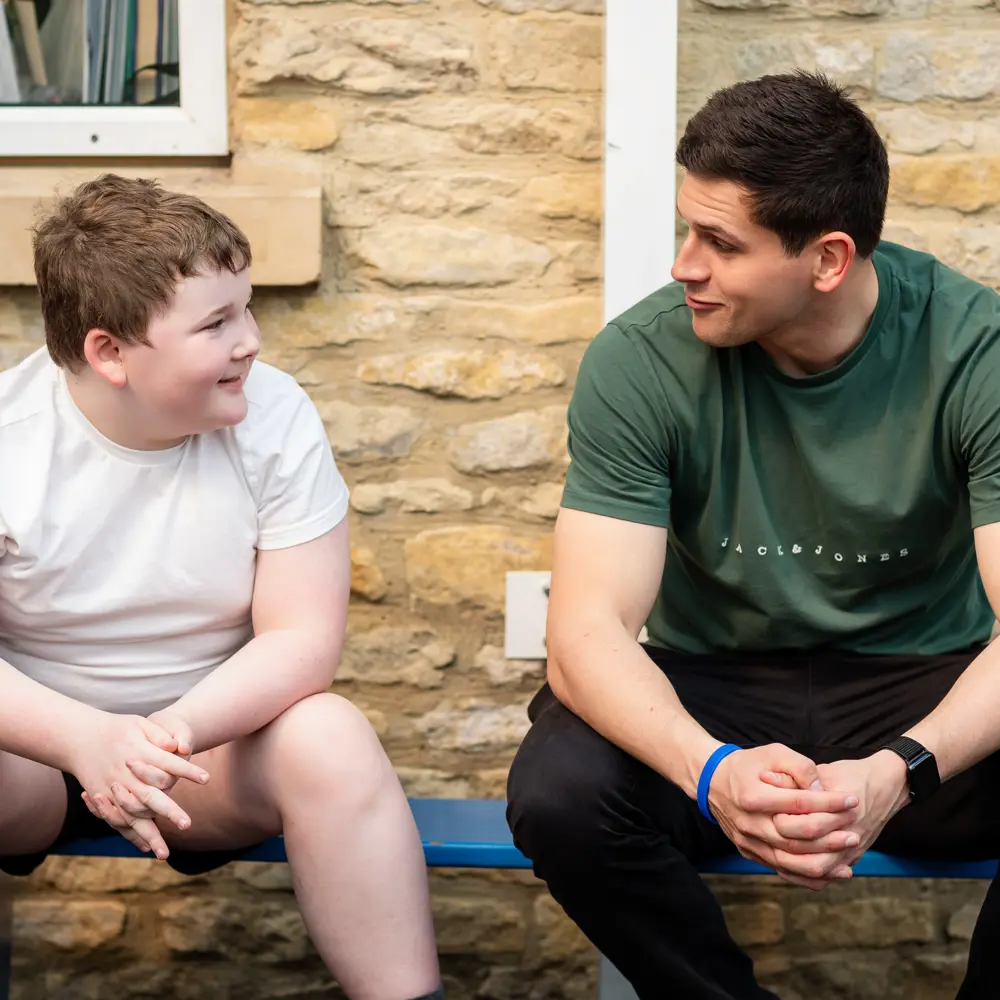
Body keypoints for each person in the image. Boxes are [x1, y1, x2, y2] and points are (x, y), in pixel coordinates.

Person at [505, 71, 1000, 1000]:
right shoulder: (640, 359)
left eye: (720, 243)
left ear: (827, 259)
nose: (683, 264)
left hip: (925, 681)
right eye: (686, 228)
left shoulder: (977, 352)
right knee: (562, 792)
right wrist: (713, 772)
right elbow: (582, 637)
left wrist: (900, 771)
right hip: (717, 685)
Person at [0, 174, 443, 1000]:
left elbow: (302, 639)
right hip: (26, 756)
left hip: (200, 758)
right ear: (110, 352)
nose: (252, 341)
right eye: (216, 322)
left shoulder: (275, 416)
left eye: (244, 308)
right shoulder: (9, 436)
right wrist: (83, 741)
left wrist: (162, 738)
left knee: (331, 734)